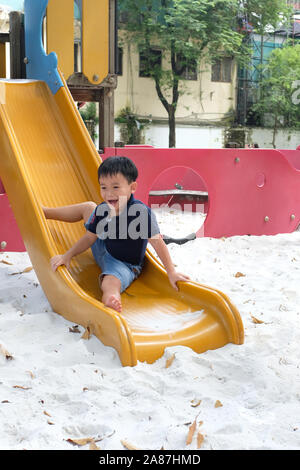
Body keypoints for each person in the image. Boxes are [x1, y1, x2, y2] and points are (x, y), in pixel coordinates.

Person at [43, 156, 190, 313]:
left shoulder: (141, 213)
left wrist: (171, 272)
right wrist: (68, 255)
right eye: (103, 187)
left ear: (132, 187)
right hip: (104, 245)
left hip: (123, 264)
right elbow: (89, 237)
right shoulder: (103, 209)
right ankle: (45, 212)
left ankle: (111, 299)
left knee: (110, 282)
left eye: (115, 187)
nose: (108, 194)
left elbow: (157, 242)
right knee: (88, 207)